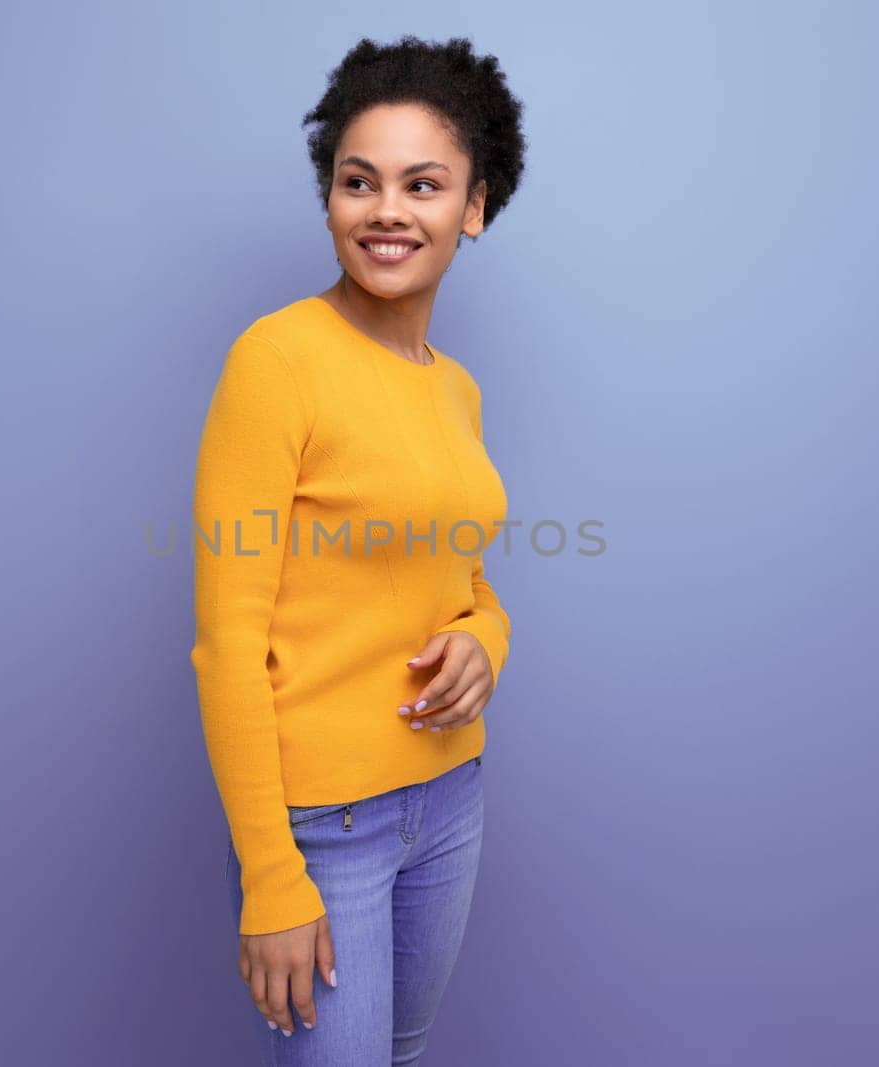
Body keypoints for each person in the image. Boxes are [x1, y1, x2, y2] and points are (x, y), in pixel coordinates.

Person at [189, 34, 528, 1066]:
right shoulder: (276, 359)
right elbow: (227, 640)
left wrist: (484, 643)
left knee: (403, 1052)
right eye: (358, 181)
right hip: (323, 827)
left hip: (449, 793)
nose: (387, 210)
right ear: (330, 196)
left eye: (423, 184)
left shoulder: (454, 387)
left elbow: (468, 586)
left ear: (472, 206)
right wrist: (269, 872)